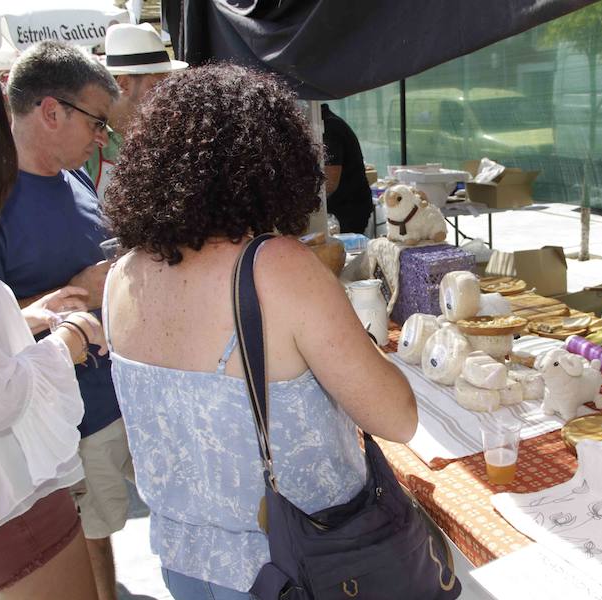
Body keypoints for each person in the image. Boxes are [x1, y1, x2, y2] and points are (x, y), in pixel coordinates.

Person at [103, 64, 417, 599]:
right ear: (272, 162)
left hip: (185, 565)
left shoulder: (121, 275)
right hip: (295, 567)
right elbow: (398, 418)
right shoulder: (277, 268)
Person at [0, 42, 133, 600]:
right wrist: (76, 296)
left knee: (100, 535)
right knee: (85, 545)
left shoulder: (76, 179)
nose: (103, 139)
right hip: (56, 430)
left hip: (112, 397)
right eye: (96, 123)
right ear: (50, 111)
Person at [85, 22, 187, 202]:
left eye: (168, 85)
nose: (166, 94)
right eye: (156, 86)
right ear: (124, 83)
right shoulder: (85, 141)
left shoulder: (167, 135)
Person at [322, 103, 373, 233]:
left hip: (349, 209)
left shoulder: (329, 127)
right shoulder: (329, 123)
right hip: (348, 205)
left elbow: (330, 182)